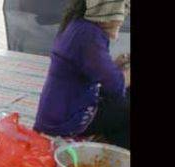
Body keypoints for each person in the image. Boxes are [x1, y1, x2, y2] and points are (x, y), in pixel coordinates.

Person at [34, 0, 130, 149]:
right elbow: (115, 87)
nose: (125, 14)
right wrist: (126, 74)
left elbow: (94, 71)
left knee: (125, 98)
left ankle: (110, 145)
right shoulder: (89, 34)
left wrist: (116, 66)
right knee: (125, 107)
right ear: (107, 10)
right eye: (123, 7)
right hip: (65, 121)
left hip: (58, 111)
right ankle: (117, 157)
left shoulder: (80, 24)